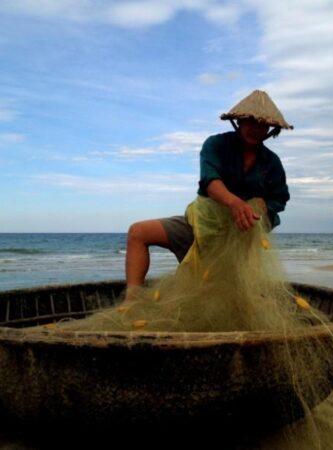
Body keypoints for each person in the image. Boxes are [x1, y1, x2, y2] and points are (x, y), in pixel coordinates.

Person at [124, 89, 293, 296]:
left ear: (270, 128)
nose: (255, 128)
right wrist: (235, 203)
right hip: (200, 225)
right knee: (138, 232)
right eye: (249, 121)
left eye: (261, 123)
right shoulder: (216, 144)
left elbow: (280, 198)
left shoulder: (272, 162)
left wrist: (260, 204)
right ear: (238, 121)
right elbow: (210, 182)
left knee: (232, 295)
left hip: (239, 241)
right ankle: (131, 300)